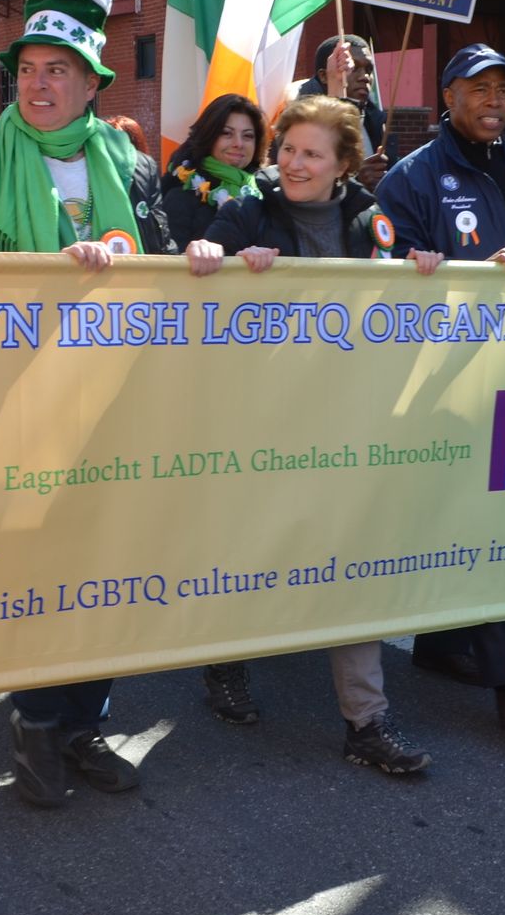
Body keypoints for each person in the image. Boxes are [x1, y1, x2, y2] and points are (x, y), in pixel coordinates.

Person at [0, 0, 174, 807]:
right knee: (40, 568)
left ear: (92, 82)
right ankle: (37, 723)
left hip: (118, 399)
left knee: (107, 563)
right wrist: (43, 276)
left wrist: (213, 253)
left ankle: (84, 723)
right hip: (20, 401)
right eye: (26, 69)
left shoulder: (134, 166)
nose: (36, 83)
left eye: (56, 69)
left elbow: (169, 262)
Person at [184, 95, 438, 774]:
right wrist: (214, 256)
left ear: (344, 164)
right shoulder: (248, 210)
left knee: (347, 559)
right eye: (288, 148)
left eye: (311, 153)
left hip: (342, 417)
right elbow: (196, 277)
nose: (294, 163)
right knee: (247, 547)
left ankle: (367, 721)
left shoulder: (369, 218)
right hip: (259, 419)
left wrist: (424, 271)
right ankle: (224, 663)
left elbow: (400, 290)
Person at [376, 44, 505, 728]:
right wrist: (476, 269)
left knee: (494, 513)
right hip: (446, 379)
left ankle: (437, 645)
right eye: (479, 88)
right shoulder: (411, 177)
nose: (495, 100)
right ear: (448, 97)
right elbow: (385, 275)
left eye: (503, 89)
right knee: (470, 521)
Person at [158, 94, 265, 249]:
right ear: (209, 136)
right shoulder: (180, 197)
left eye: (248, 136)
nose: (238, 143)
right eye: (227, 133)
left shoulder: (268, 194)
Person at [297, 34, 387, 157]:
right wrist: (355, 176)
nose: (364, 77)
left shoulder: (376, 120)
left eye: (368, 69)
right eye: (353, 68)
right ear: (324, 76)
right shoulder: (299, 122)